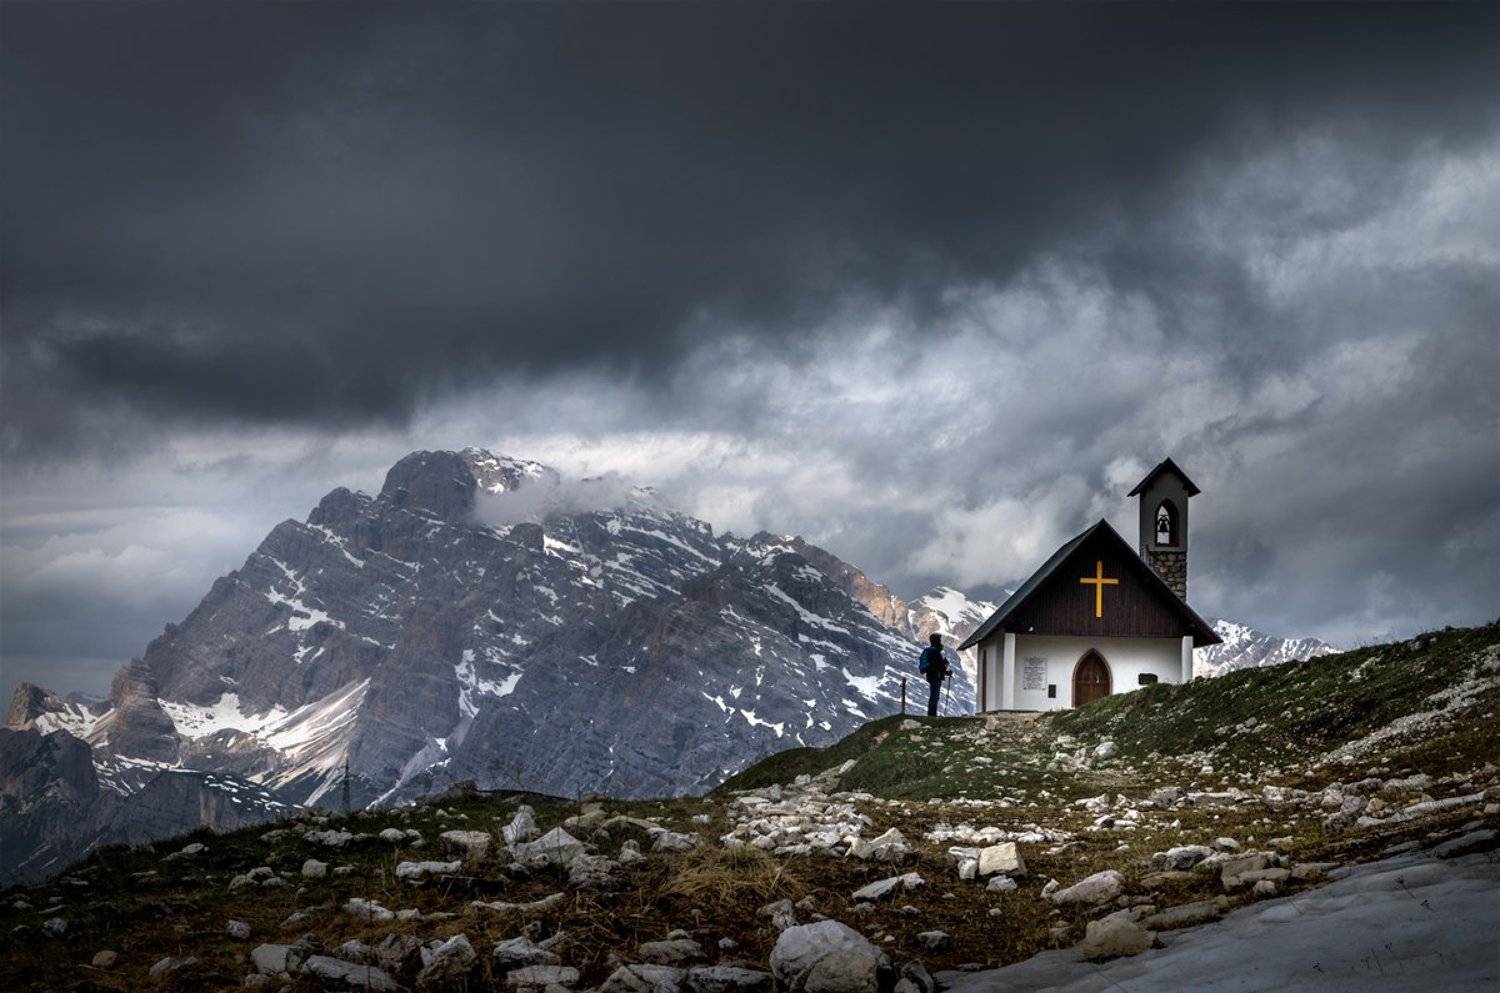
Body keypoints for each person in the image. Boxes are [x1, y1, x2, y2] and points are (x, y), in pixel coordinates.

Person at [918, 633, 950, 717]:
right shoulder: (935, 652)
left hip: (931, 675)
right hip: (936, 676)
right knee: (935, 696)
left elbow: (935, 665)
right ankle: (932, 714)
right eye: (939, 640)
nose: (940, 642)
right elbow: (939, 666)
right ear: (937, 641)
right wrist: (946, 669)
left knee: (934, 695)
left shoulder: (931, 651)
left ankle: (932, 714)